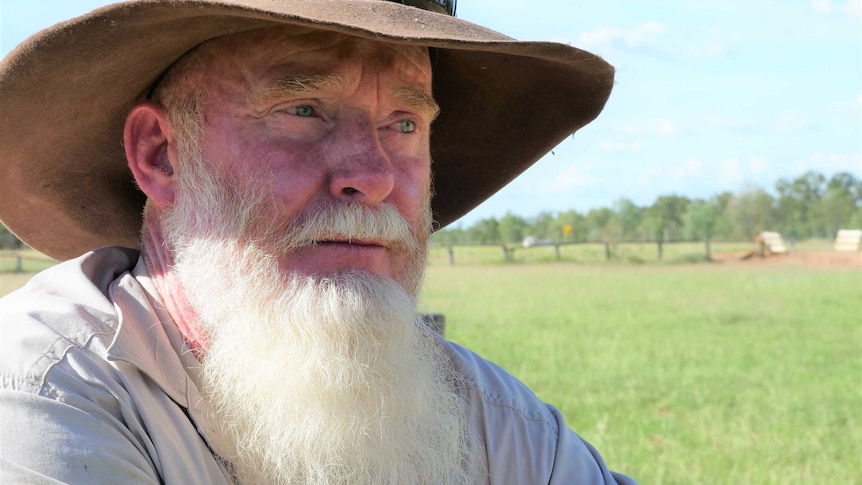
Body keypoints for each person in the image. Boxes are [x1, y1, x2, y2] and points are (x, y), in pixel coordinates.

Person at [0, 1, 635, 483]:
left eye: (405, 123)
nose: (375, 175)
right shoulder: (43, 390)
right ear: (162, 155)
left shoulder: (484, 416)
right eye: (303, 110)